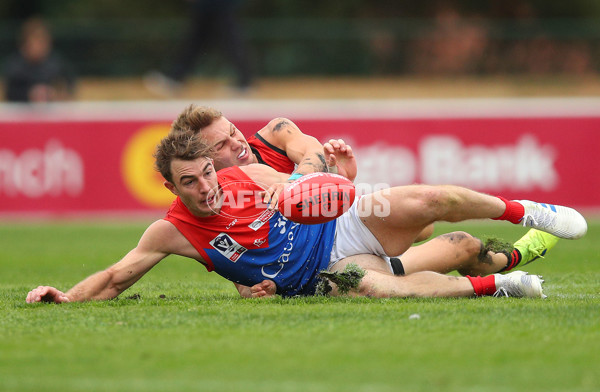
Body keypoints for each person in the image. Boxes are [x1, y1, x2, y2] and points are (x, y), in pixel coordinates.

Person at [26, 127, 587, 304]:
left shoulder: (244, 174)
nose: (205, 187)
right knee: (394, 292)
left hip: (336, 227)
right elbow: (117, 276)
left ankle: (526, 211)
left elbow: (307, 182)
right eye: (189, 182)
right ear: (170, 186)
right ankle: (501, 284)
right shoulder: (172, 231)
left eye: (207, 171)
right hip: (318, 279)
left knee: (426, 203)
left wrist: (332, 179)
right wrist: (67, 299)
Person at [169, 104, 563, 297]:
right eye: (220, 145)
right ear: (203, 161)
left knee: (424, 220)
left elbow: (311, 153)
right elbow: (243, 252)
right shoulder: (216, 191)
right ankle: (504, 270)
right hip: (326, 255)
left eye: (234, 132)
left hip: (342, 210)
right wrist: (252, 290)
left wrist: (319, 183)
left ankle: (516, 241)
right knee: (460, 246)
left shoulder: (274, 132)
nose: (237, 144)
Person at [144, 0, 252, 97]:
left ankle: (245, 81)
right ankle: (176, 77)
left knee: (226, 39)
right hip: (210, 4)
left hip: (217, 4)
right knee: (198, 39)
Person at [4, 17, 76, 102]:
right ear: (25, 44)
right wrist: (29, 94)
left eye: (42, 42)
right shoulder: (15, 66)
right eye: (35, 42)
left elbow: (69, 87)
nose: (39, 47)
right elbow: (9, 94)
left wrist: (57, 93)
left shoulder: (57, 64)